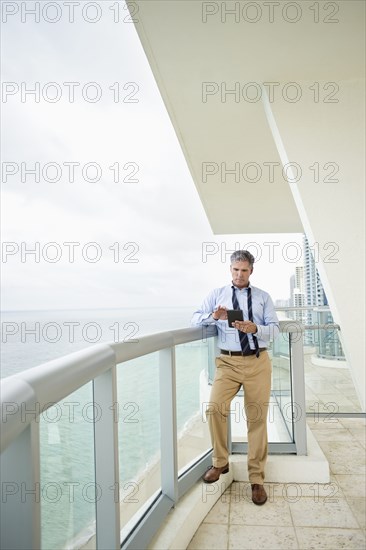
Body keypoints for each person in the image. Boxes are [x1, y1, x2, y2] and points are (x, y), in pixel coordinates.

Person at [191, 250, 279, 505]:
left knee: (257, 418)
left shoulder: (263, 297)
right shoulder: (217, 294)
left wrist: (255, 328)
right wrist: (213, 317)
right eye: (235, 270)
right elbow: (195, 318)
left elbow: (274, 329)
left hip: (257, 362)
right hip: (227, 362)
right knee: (215, 408)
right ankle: (220, 462)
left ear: (251, 271)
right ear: (230, 270)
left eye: (244, 270)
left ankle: (257, 479)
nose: (239, 275)